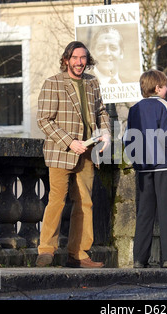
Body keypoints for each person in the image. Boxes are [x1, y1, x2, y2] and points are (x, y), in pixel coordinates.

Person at [36, 41, 111, 268]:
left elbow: (101, 111)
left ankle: (78, 254)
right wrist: (70, 142)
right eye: (75, 58)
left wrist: (106, 132)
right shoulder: (53, 83)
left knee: (85, 203)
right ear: (67, 59)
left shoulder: (92, 83)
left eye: (83, 58)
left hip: (88, 153)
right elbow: (44, 120)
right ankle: (46, 251)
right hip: (61, 152)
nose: (79, 62)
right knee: (56, 201)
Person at [123, 69, 167, 268]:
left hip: (143, 167)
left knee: (144, 213)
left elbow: (128, 139)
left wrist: (135, 160)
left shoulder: (134, 109)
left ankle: (140, 259)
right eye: (165, 85)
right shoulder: (166, 106)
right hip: (164, 165)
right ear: (158, 88)